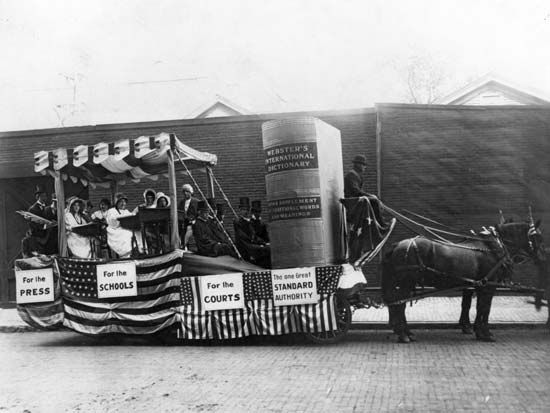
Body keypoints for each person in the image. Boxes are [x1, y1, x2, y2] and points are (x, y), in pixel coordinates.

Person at [233, 197, 271, 268]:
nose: (246, 211)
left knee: (268, 249)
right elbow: (244, 238)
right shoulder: (238, 222)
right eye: (244, 209)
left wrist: (264, 243)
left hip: (252, 246)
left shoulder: (249, 222)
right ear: (240, 210)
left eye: (247, 209)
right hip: (245, 247)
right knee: (265, 251)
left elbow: (254, 236)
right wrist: (259, 246)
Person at [106, 193, 143, 258]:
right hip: (115, 230)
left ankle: (139, 250)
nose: (123, 203)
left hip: (125, 227)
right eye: (121, 202)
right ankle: (127, 254)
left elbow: (131, 216)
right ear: (116, 203)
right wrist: (121, 220)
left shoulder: (126, 211)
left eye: (124, 202)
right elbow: (112, 223)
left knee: (138, 232)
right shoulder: (111, 211)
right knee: (127, 234)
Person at [178, 184, 198, 250]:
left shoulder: (196, 201)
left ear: (190, 192)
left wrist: (194, 220)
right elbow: (179, 211)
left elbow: (198, 213)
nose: (185, 193)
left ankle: (184, 245)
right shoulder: (181, 202)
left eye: (187, 191)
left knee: (189, 229)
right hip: (183, 221)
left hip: (192, 221)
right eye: (184, 192)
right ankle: (182, 245)